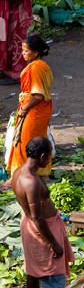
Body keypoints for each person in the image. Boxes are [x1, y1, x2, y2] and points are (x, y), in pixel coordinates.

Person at [11, 136, 76, 288]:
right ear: (41, 156)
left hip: (28, 226)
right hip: (42, 229)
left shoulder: (19, 172)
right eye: (49, 155)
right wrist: (53, 243)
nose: (50, 159)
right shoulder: (31, 182)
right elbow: (38, 217)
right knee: (57, 279)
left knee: (32, 271)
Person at [0, 35, 54, 190]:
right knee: (41, 139)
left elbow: (38, 95)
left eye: (26, 51)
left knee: (23, 142)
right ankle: (44, 174)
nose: (22, 54)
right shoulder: (42, 65)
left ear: (35, 52)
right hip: (43, 110)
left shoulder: (36, 68)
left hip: (34, 110)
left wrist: (24, 108)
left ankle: (14, 179)